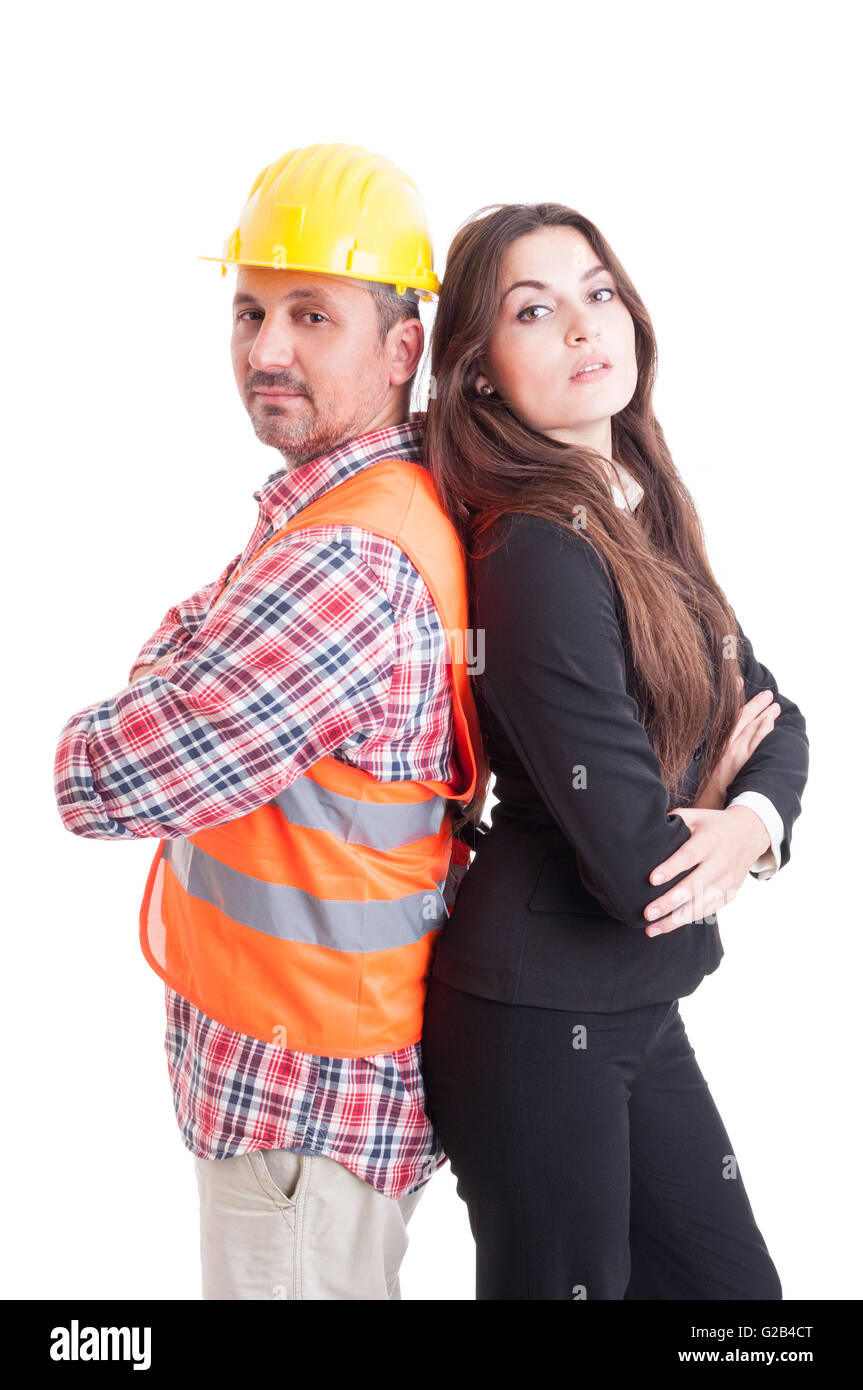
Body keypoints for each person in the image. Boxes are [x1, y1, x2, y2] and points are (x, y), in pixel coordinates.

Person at [52, 142, 486, 1301]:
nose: (266, 349)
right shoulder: (348, 508)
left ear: (402, 348)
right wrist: (190, 658)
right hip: (294, 1089)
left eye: (310, 313)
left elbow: (103, 778)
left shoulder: (343, 556)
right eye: (247, 311)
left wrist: (161, 680)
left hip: (303, 1112)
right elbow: (190, 649)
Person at [420, 201, 810, 1300]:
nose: (583, 328)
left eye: (595, 293)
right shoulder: (537, 551)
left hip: (628, 1005)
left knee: (734, 1304)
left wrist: (745, 822)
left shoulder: (636, 509)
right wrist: (707, 816)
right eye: (532, 311)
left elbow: (773, 710)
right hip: (537, 1018)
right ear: (481, 370)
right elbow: (638, 867)